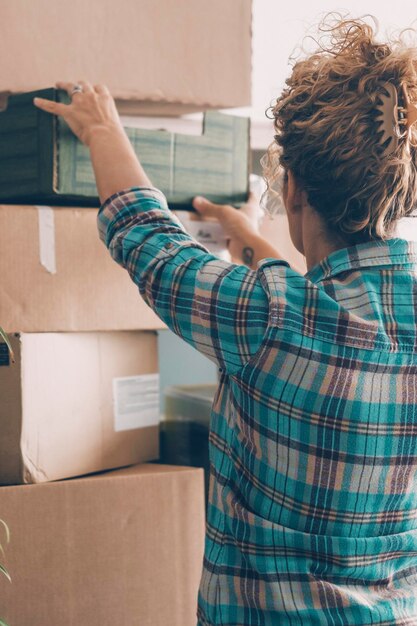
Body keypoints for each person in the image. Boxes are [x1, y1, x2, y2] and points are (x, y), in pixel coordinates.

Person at [34, 15, 417, 626]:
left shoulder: (267, 318)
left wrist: (105, 131)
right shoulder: (310, 315)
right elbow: (329, 321)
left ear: (293, 190)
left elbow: (152, 244)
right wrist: (249, 243)